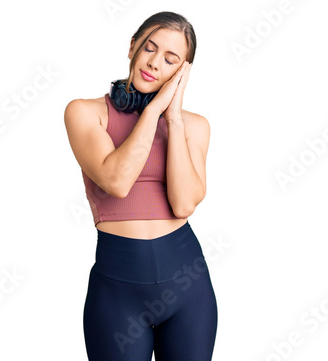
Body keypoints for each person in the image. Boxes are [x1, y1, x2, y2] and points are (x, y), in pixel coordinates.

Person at [64, 11, 217, 361]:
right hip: (117, 291)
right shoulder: (86, 113)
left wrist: (173, 118)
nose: (154, 63)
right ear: (132, 45)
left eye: (170, 59)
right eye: (149, 47)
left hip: (188, 288)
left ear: (183, 71)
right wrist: (152, 113)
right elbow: (116, 181)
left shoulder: (194, 126)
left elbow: (184, 204)